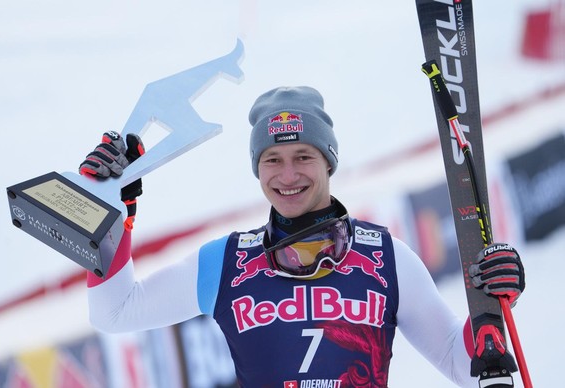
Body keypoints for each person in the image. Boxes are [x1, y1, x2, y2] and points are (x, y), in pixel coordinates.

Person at [80, 86, 525, 387]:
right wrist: (110, 215)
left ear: (328, 161)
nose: (288, 175)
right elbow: (115, 313)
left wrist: (493, 310)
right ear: (257, 168)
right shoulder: (227, 262)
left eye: (303, 156)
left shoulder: (386, 257)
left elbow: (461, 362)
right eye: (272, 159)